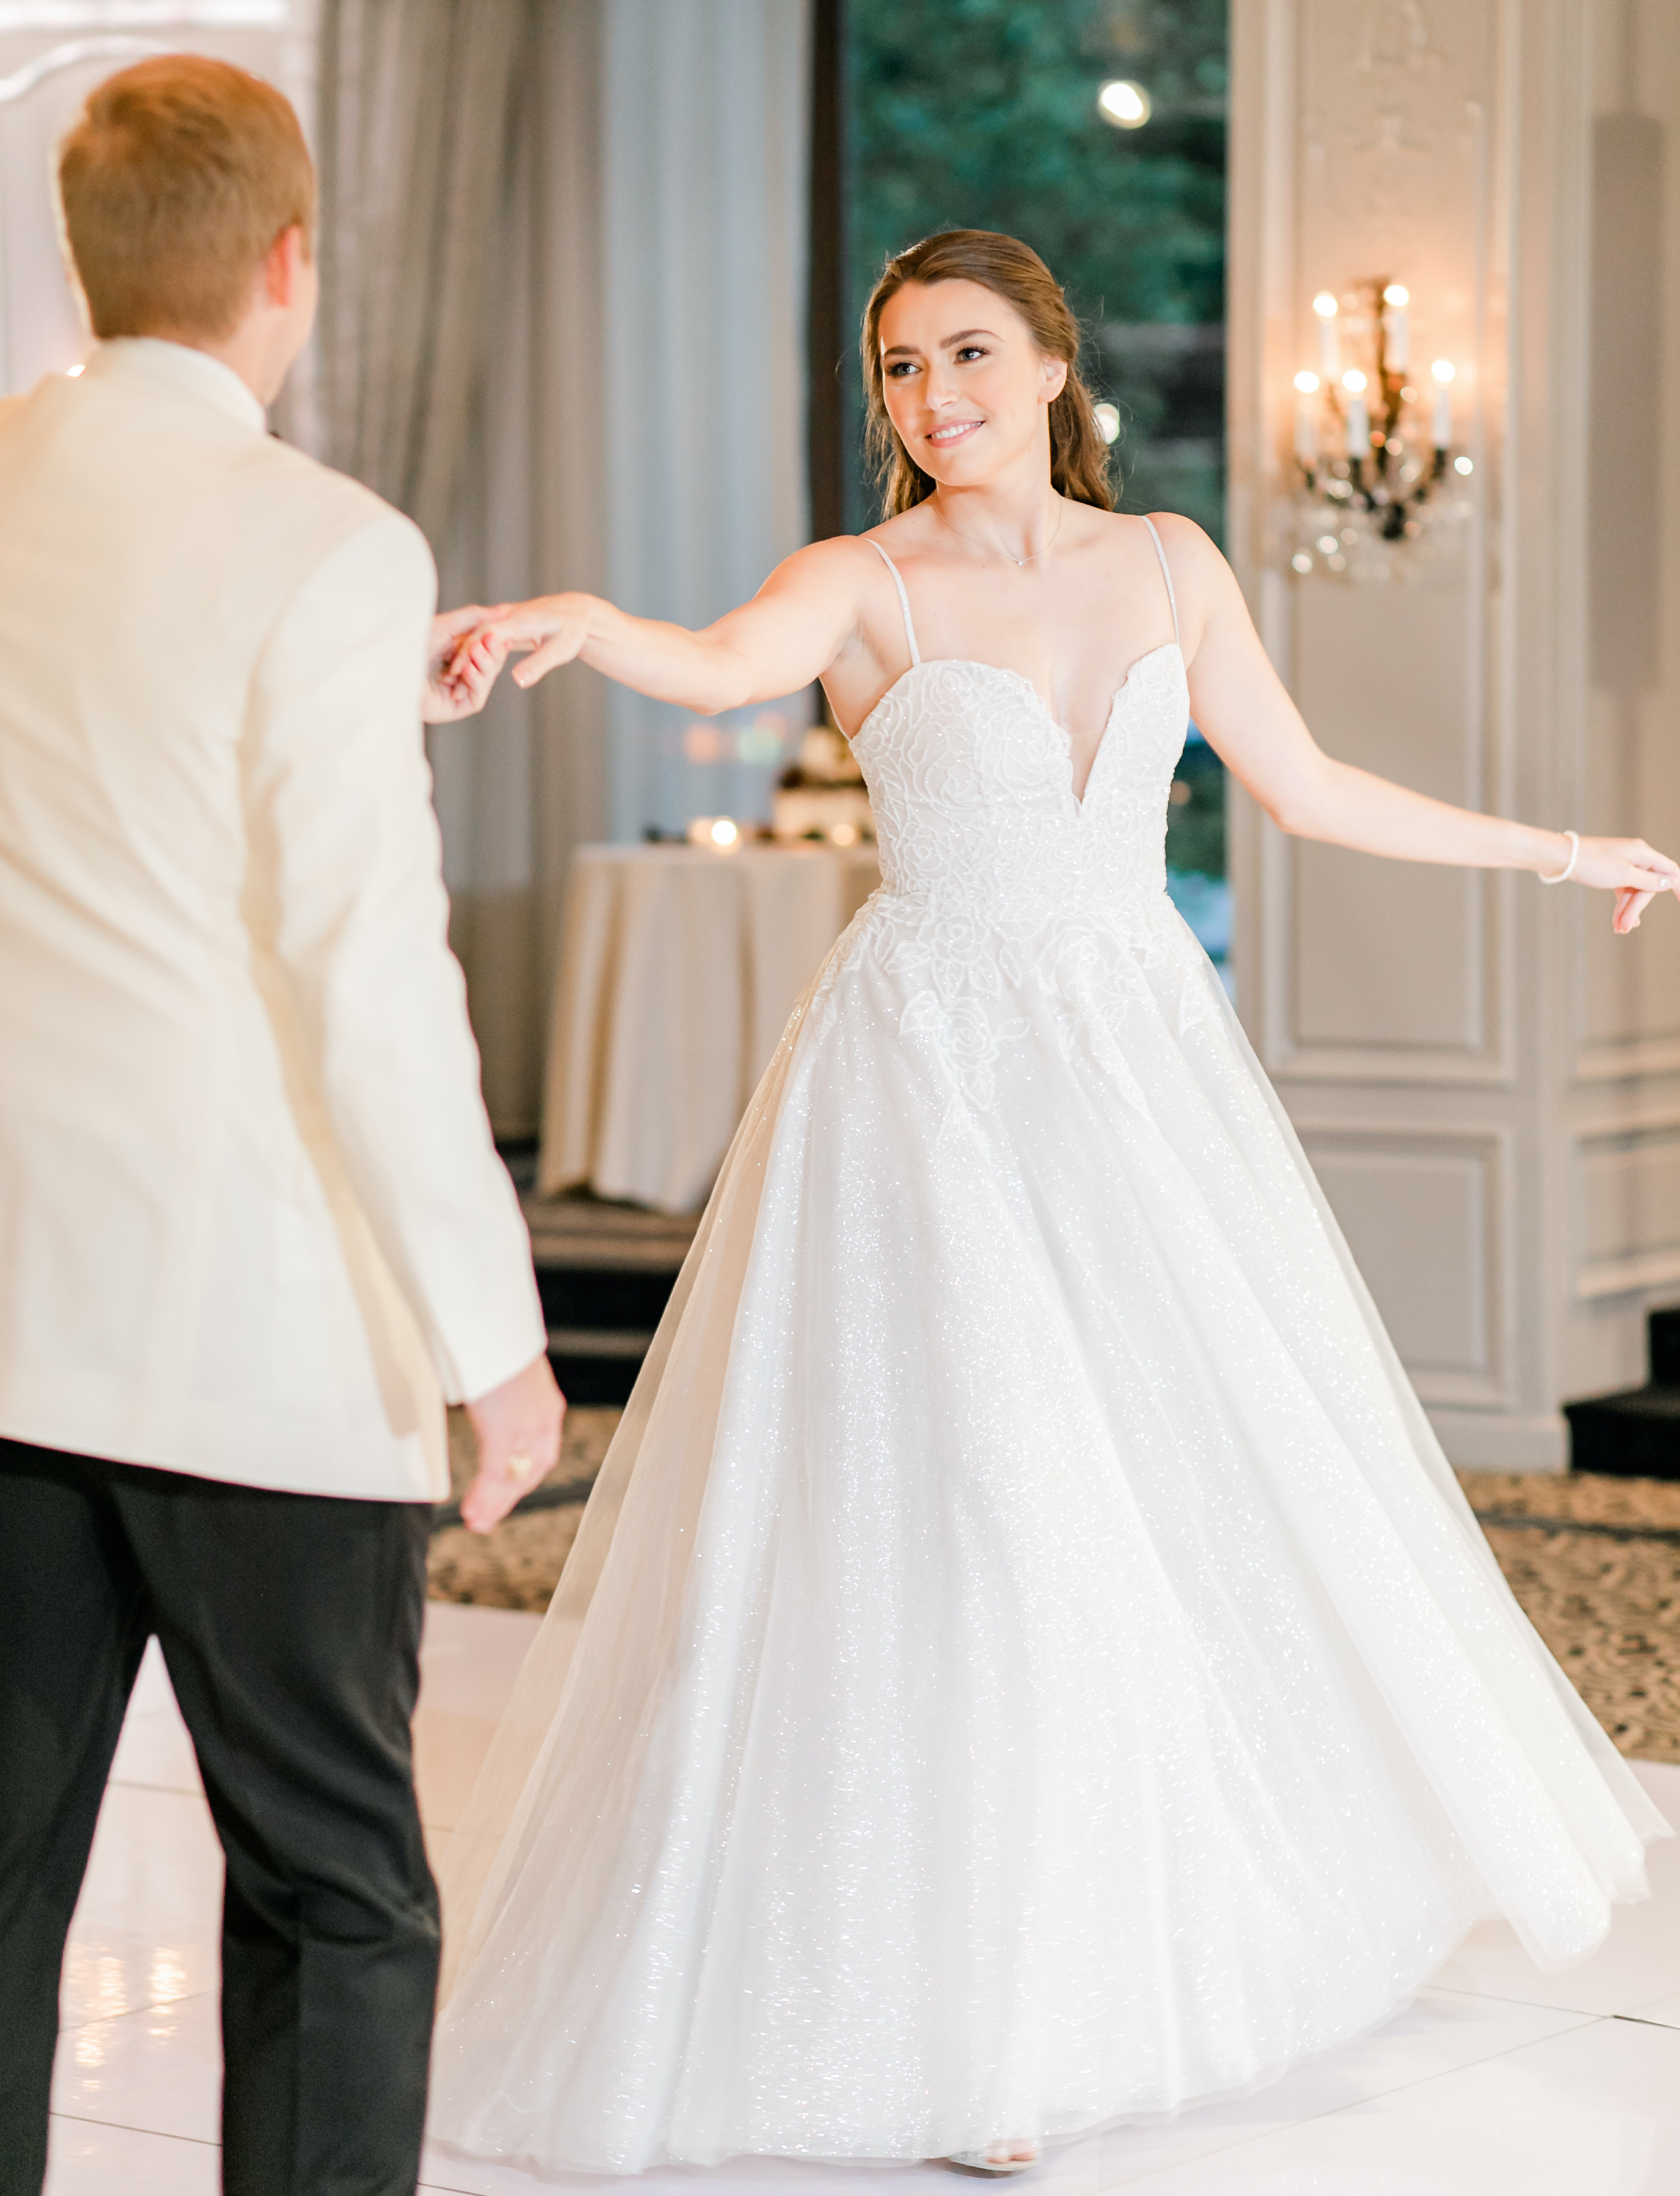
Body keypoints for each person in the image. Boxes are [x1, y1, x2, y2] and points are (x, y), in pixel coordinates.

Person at [428, 230, 1672, 2179]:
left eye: (970, 354)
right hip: (926, 1089)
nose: (935, 398)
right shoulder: (864, 581)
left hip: (1139, 1076)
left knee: (1174, 1496)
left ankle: (1166, 1931)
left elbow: (1314, 786)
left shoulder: (1168, 561)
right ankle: (975, 2007)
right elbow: (722, 659)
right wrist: (581, 619)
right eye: (903, 368)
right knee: (978, 1514)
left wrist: (1573, 847)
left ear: (1053, 365)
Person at [0, 57, 564, 2196]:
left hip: (10, 1316)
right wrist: (488, 1344)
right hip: (253, 1340)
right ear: (290, 265)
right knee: (334, 1898)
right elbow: (360, 983)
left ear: (89, 251)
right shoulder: (328, 542)